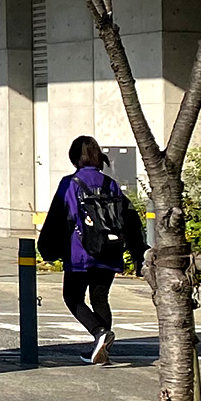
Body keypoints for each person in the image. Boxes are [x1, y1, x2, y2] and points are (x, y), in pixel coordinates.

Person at [37, 136, 147, 364]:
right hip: (110, 250)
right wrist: (138, 254)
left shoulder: (70, 183)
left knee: (72, 296)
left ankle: (99, 333)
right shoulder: (111, 184)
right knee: (100, 298)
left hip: (81, 253)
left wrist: (47, 250)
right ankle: (101, 350)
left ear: (75, 157)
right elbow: (130, 219)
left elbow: (58, 219)